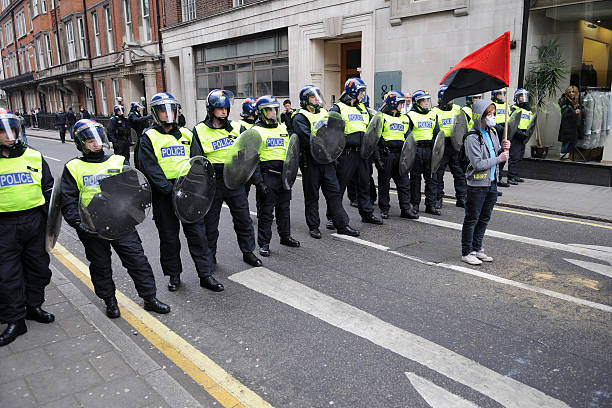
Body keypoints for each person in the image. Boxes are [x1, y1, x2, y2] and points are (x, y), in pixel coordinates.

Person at [60, 119, 171, 317]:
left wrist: (136, 207)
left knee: (137, 261)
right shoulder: (73, 167)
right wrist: (79, 223)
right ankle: (110, 301)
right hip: (92, 226)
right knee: (100, 266)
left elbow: (135, 189)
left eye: (98, 139)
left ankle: (149, 298)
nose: (96, 144)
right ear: (80, 143)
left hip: (121, 221)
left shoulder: (118, 161)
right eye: (89, 141)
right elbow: (68, 202)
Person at [138, 92, 221, 292]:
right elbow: (149, 167)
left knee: (198, 235)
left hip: (188, 192)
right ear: (156, 114)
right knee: (169, 238)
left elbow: (197, 161)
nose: (168, 115)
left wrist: (193, 186)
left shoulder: (187, 133)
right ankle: (174, 275)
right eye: (163, 111)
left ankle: (206, 274)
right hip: (164, 193)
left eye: (171, 110)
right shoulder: (149, 137)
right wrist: (169, 190)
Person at [0, 109, 55, 346]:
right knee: (8, 275)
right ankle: (15, 319)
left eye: (12, 129)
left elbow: (49, 188)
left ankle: (34, 306)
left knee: (39, 268)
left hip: (35, 221)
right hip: (4, 225)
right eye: (3, 131)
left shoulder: (33, 155)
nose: (9, 135)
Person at [192, 89, 263, 269]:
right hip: (212, 180)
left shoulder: (238, 128)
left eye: (225, 108)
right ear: (211, 109)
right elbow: (196, 159)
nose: (224, 112)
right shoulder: (199, 130)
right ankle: (210, 257)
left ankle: (248, 252)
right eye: (219, 108)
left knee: (243, 218)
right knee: (211, 224)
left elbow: (249, 155)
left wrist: (257, 179)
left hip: (234, 178)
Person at [292, 85, 360, 239]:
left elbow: (336, 133)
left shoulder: (324, 112)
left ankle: (341, 224)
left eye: (318, 96)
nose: (317, 99)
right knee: (312, 196)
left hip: (327, 161)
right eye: (313, 97)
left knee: (335, 193)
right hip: (311, 162)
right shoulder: (299, 117)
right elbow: (308, 139)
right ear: (305, 100)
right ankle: (314, 226)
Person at [461, 99, 511, 265]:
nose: (492, 117)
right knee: (472, 219)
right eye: (489, 114)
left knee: (484, 218)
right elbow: (477, 164)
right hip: (477, 185)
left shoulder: (493, 132)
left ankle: (477, 248)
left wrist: (504, 147)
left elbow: (496, 153)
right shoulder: (472, 137)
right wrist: (499, 158)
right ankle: (467, 251)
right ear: (479, 116)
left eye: (493, 113)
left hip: (492, 183)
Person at [250, 95, 301, 256]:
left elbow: (291, 151)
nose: (273, 113)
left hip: (284, 175)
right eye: (269, 110)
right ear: (261, 112)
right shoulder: (256, 131)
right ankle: (264, 243)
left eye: (275, 109)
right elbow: (252, 160)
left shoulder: (282, 128)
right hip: (267, 175)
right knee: (266, 212)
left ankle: (285, 236)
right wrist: (259, 182)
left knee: (284, 209)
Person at [328, 77, 383, 226]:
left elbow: (371, 129)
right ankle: (333, 217)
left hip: (363, 153)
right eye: (360, 91)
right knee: (340, 186)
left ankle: (367, 214)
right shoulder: (337, 108)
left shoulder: (363, 108)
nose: (362, 94)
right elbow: (331, 133)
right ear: (353, 91)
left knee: (364, 184)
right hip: (346, 153)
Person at [377, 90, 418, 219]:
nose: (402, 106)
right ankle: (384, 209)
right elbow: (374, 139)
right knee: (384, 184)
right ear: (394, 104)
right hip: (386, 154)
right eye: (400, 103)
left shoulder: (405, 118)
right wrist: (377, 158)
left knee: (404, 183)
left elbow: (408, 138)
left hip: (400, 155)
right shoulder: (381, 118)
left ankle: (405, 209)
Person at [406, 90, 440, 215]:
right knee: (415, 179)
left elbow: (437, 134)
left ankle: (430, 205)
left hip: (430, 149)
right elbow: (408, 135)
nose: (426, 103)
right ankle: (415, 204)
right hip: (416, 149)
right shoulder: (410, 116)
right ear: (417, 102)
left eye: (427, 100)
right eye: (423, 101)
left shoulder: (432, 115)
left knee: (432, 178)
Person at [432, 85, 467, 209]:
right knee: (439, 173)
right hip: (441, 144)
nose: (450, 101)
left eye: (451, 99)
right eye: (448, 99)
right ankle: (438, 198)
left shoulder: (458, 109)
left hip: (455, 144)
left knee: (459, 172)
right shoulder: (434, 111)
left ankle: (462, 197)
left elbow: (463, 125)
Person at [507, 89, 534, 185]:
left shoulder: (528, 110)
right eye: (521, 96)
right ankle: (510, 177)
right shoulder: (513, 108)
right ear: (516, 98)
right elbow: (511, 122)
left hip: (523, 135)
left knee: (519, 157)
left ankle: (515, 175)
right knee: (514, 156)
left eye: (525, 96)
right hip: (515, 134)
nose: (524, 98)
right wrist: (518, 132)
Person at [491, 89, 510, 188]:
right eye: (499, 95)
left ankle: (499, 177)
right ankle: (495, 179)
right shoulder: (492, 105)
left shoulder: (507, 105)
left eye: (503, 95)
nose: (502, 97)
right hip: (495, 130)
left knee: (504, 155)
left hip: (504, 132)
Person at [558, 85, 583, 161]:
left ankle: (567, 157)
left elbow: (581, 109)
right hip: (567, 125)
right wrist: (574, 112)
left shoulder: (577, 101)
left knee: (572, 142)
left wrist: (580, 111)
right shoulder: (564, 100)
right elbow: (564, 114)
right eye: (570, 92)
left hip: (574, 125)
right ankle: (563, 158)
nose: (571, 93)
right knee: (566, 142)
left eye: (573, 92)